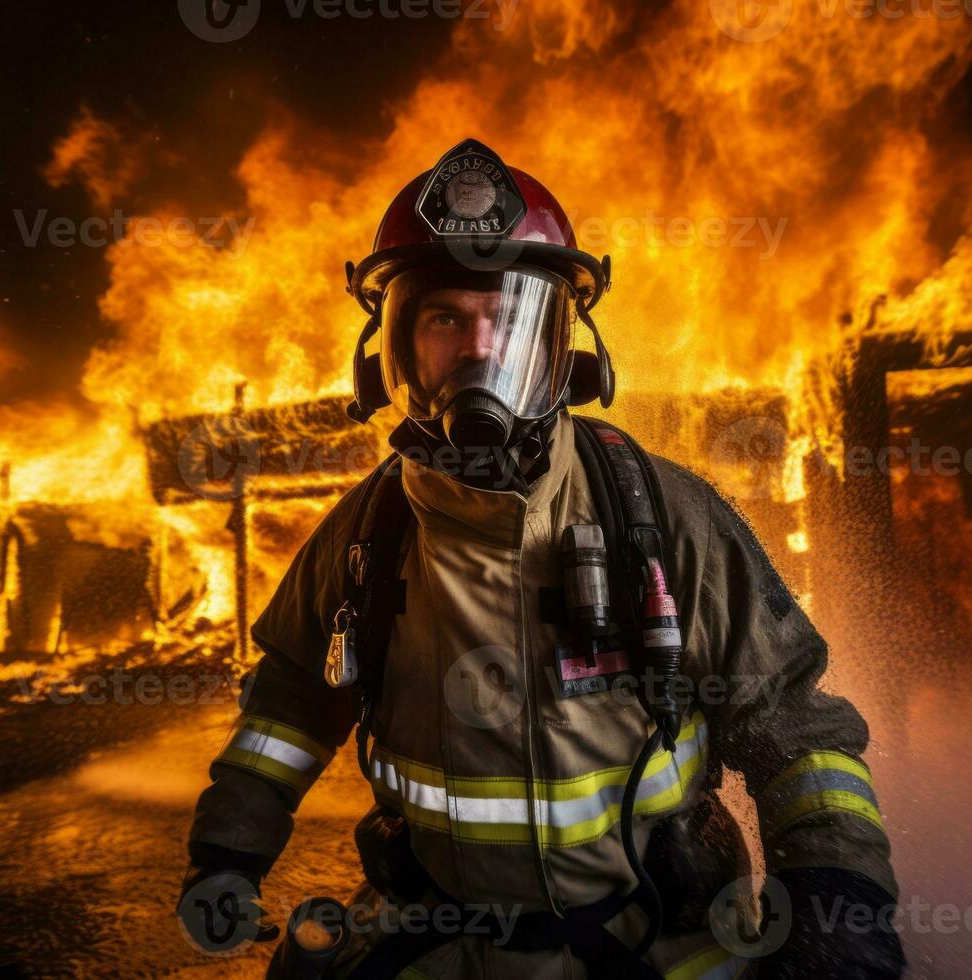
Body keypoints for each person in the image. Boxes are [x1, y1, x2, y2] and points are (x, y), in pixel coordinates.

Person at [178, 139, 905, 979]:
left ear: (568, 347)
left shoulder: (664, 515)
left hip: (660, 946)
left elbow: (794, 729)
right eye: (445, 317)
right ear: (394, 351)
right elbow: (290, 706)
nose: (481, 353)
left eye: (511, 321)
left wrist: (834, 908)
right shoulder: (367, 534)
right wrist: (228, 853)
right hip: (434, 946)